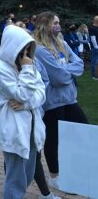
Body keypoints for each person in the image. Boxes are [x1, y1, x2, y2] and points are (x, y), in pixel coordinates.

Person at [0, 25, 46, 199]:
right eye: (23, 48)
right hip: (13, 128)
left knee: (27, 175)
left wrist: (27, 105)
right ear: (12, 45)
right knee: (16, 178)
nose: (26, 53)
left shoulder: (26, 61)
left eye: (29, 48)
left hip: (32, 125)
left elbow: (41, 92)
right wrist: (27, 70)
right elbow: (22, 94)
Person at [33, 11, 88, 190]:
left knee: (82, 129)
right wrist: (66, 71)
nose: (58, 26)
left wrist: (64, 69)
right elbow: (59, 78)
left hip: (69, 98)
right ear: (45, 25)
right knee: (53, 139)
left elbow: (80, 65)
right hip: (52, 102)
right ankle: (54, 176)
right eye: (55, 23)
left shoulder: (62, 43)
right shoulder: (40, 49)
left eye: (59, 22)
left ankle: (77, 170)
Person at [88, 16, 98, 80]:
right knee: (94, 61)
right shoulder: (92, 28)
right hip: (95, 48)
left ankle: (96, 74)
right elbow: (93, 39)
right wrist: (97, 47)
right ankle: (94, 76)